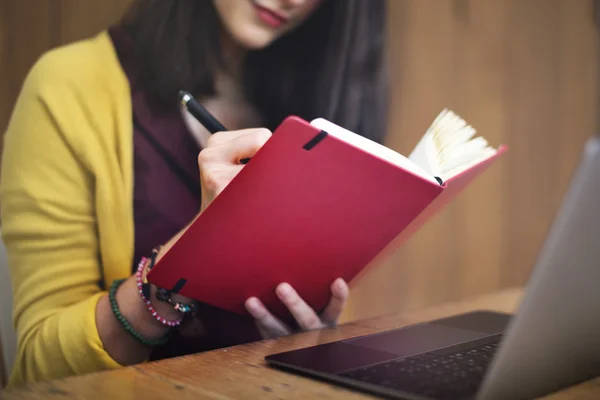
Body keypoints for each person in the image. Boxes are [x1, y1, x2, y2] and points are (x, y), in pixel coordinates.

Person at [0, 0, 388, 387]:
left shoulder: (312, 104)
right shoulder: (69, 86)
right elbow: (40, 365)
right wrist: (188, 260)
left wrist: (314, 337)